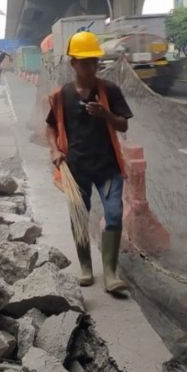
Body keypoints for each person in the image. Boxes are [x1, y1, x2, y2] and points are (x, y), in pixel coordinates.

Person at [46, 31, 133, 294]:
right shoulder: (62, 95)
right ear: (73, 63)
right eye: (84, 62)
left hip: (107, 166)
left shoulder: (109, 91)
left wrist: (106, 114)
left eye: (94, 61)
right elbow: (50, 127)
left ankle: (110, 272)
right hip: (76, 167)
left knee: (114, 214)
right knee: (78, 216)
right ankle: (85, 267)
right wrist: (54, 151)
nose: (90, 67)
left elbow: (124, 124)